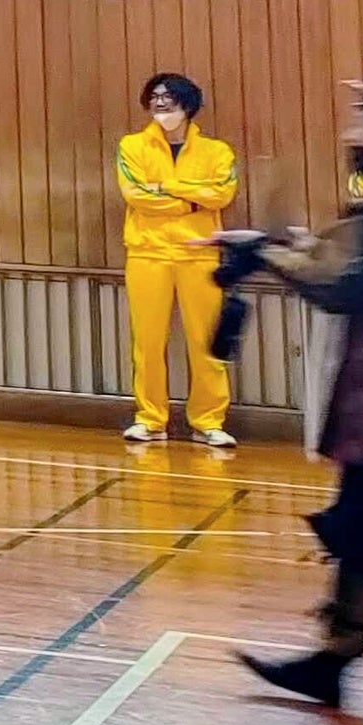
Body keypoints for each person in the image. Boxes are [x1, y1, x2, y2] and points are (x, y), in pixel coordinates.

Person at [231, 82, 363, 705]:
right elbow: (352, 258)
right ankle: (332, 660)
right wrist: (285, 247)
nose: (355, 134)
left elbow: (351, 286)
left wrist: (270, 255)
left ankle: (334, 657)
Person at [120, 71, 241, 448]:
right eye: (154, 97)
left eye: (168, 97)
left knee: (206, 342)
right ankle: (150, 419)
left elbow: (222, 194)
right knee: (147, 343)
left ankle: (208, 421)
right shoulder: (132, 146)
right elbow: (137, 195)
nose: (160, 103)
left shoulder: (217, 152)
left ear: (188, 104)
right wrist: (192, 200)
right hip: (148, 253)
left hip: (199, 253)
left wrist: (168, 188)